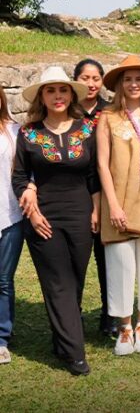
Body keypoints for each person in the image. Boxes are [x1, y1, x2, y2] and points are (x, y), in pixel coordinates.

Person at [12, 66, 100, 375]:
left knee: (74, 281)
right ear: (42, 97)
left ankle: (62, 341)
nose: (58, 96)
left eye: (63, 90)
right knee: (58, 282)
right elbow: (20, 178)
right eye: (51, 90)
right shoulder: (29, 133)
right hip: (44, 217)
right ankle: (76, 355)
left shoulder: (87, 129)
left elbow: (94, 176)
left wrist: (96, 210)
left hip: (80, 214)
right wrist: (33, 214)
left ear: (70, 94)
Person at [98, 55, 140, 355]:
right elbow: (102, 164)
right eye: (128, 79)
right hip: (119, 203)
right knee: (121, 266)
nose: (134, 84)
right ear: (119, 85)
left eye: (139, 79)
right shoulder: (107, 118)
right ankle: (124, 326)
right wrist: (112, 205)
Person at [73, 58, 115, 337]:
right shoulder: (66, 109)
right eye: (85, 78)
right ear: (75, 79)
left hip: (108, 190)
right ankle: (71, 316)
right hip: (74, 192)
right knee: (75, 259)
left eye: (96, 78)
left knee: (107, 257)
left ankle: (109, 314)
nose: (91, 84)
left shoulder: (111, 112)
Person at [0, 87, 24, 364]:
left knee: (3, 280)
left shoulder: (14, 131)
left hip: (9, 214)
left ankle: (2, 337)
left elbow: (24, 171)